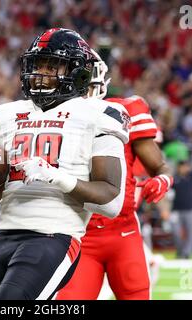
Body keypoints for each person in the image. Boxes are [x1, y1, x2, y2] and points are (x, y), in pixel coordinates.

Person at [0, 28, 130, 300]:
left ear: (77, 72)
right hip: (3, 234)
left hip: (53, 235)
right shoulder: (5, 115)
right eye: (38, 65)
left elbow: (110, 202)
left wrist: (57, 178)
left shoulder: (98, 114)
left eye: (52, 66)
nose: (41, 73)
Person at [57, 49, 173, 300]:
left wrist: (162, 180)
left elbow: (160, 167)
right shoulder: (52, 119)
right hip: (79, 233)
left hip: (123, 231)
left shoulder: (125, 111)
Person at [170, 160, 192, 259]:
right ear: (178, 168)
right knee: (176, 232)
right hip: (176, 210)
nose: (184, 168)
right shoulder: (174, 179)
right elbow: (167, 195)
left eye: (186, 166)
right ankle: (181, 251)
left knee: (190, 232)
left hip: (190, 209)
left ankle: (187, 253)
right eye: (182, 166)